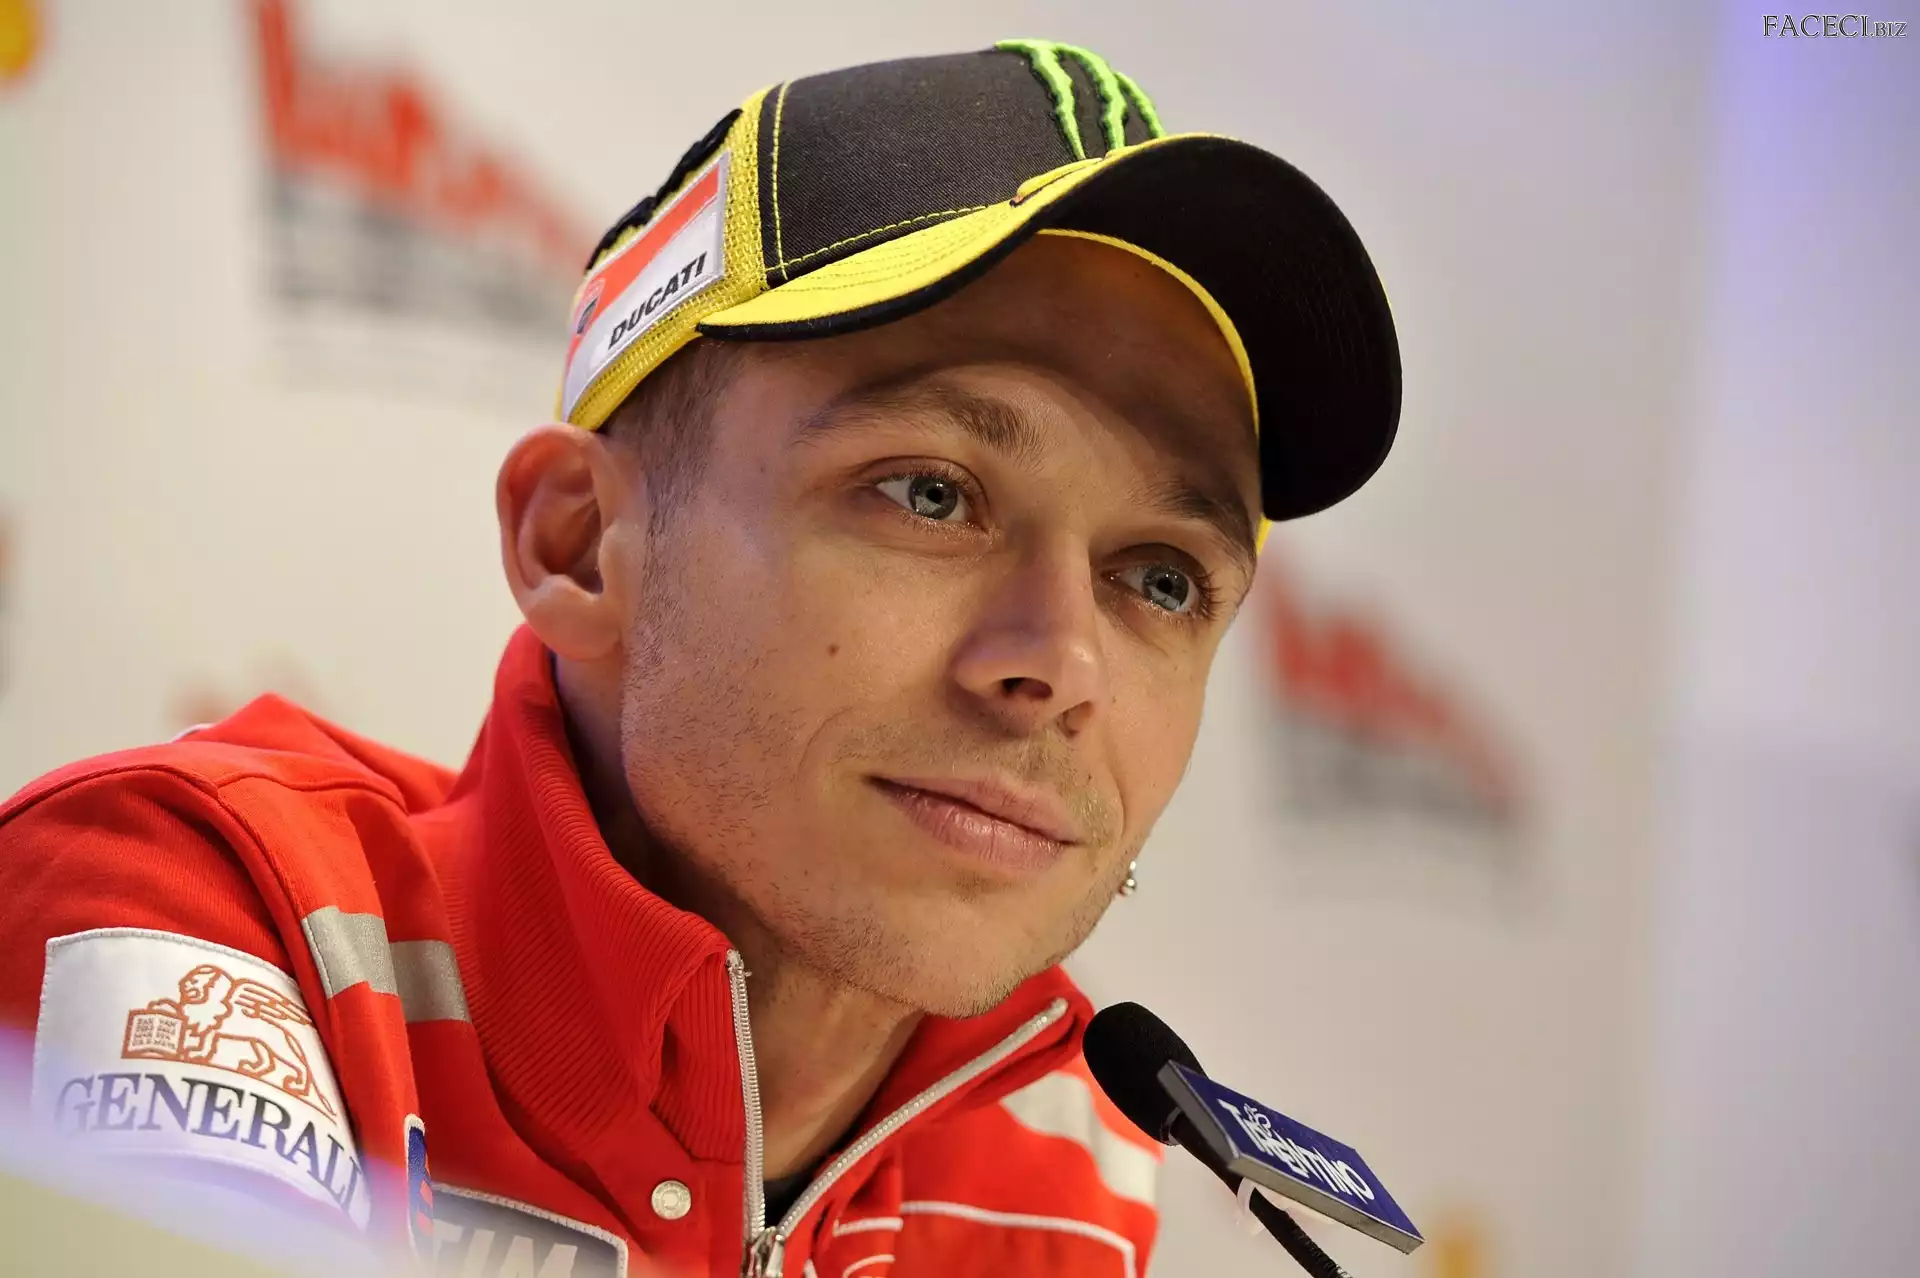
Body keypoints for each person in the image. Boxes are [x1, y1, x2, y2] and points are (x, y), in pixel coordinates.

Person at [0, 39, 1398, 1278]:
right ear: (576, 544)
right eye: (929, 492)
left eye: (1162, 579)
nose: (1063, 663)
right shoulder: (215, 917)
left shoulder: (1070, 1161)